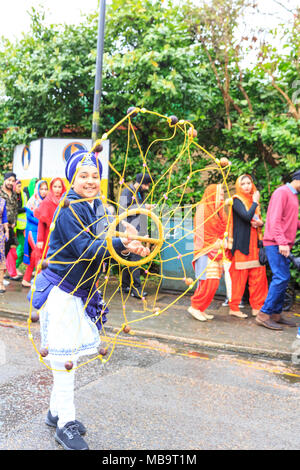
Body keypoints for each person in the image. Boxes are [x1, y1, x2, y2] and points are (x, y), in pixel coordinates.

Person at [29, 150, 149, 450]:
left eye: (95, 176)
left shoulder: (95, 206)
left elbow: (103, 244)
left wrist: (128, 248)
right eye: (83, 176)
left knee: (66, 354)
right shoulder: (69, 208)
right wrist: (122, 242)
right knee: (65, 358)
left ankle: (56, 413)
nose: (90, 181)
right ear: (73, 178)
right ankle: (65, 424)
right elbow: (86, 247)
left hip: (79, 292)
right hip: (61, 293)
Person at [256, 170, 300, 330]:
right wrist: (282, 242)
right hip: (275, 244)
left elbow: (289, 220)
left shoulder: (293, 195)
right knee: (281, 277)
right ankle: (263, 314)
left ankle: (275, 314)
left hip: (282, 244)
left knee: (284, 278)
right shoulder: (282, 193)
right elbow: (273, 221)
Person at [228, 174, 268, 318]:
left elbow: (256, 220)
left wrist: (261, 223)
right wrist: (255, 202)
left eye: (249, 183)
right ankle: (234, 307)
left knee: (258, 277)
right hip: (242, 245)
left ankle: (258, 306)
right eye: (243, 183)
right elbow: (246, 216)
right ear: (239, 186)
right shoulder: (237, 200)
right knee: (239, 277)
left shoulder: (252, 201)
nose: (246, 186)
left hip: (255, 245)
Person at [188, 184, 228, 321]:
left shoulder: (219, 210)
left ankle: (201, 308)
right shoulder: (202, 209)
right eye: (220, 195)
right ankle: (195, 306)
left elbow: (224, 228)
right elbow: (200, 233)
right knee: (207, 281)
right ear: (212, 195)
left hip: (216, 249)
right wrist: (214, 243)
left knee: (214, 282)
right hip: (204, 251)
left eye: (223, 195)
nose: (222, 197)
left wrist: (221, 241)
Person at [119, 172, 154, 298]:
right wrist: (144, 206)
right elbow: (123, 209)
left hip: (138, 230)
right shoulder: (126, 191)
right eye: (146, 185)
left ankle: (125, 286)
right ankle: (136, 289)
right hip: (128, 230)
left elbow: (141, 213)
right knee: (135, 259)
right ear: (140, 182)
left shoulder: (140, 193)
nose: (147, 188)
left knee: (129, 259)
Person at [22, 180, 48, 287]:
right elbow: (29, 217)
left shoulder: (46, 202)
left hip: (41, 232)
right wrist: (42, 221)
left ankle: (26, 279)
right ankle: (39, 282)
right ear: (37, 189)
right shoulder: (32, 201)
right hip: (32, 231)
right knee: (40, 254)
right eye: (41, 189)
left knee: (34, 255)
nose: (44, 191)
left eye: (46, 189)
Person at [34, 177, 66, 257]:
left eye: (59, 187)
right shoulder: (46, 202)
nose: (57, 189)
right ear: (51, 187)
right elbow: (41, 222)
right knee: (48, 259)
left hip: (63, 235)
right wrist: (40, 240)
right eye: (55, 187)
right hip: (49, 235)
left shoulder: (66, 201)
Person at [0, 172, 20, 280]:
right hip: (1, 227)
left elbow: (15, 209)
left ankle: (1, 278)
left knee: (6, 252)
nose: (11, 183)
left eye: (13, 181)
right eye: (9, 180)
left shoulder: (13, 194)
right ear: (5, 180)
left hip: (10, 228)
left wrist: (14, 222)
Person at [14, 180, 28, 271]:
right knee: (20, 249)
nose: (19, 188)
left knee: (22, 249)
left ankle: (14, 268)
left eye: (20, 186)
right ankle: (13, 268)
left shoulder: (23, 195)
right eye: (18, 186)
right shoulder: (11, 195)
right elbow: (14, 210)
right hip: (14, 228)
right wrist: (23, 209)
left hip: (22, 226)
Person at [0, 197, 9, 293]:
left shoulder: (2, 202)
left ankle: (1, 283)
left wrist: (7, 231)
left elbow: (4, 218)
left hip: (0, 232)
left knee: (1, 256)